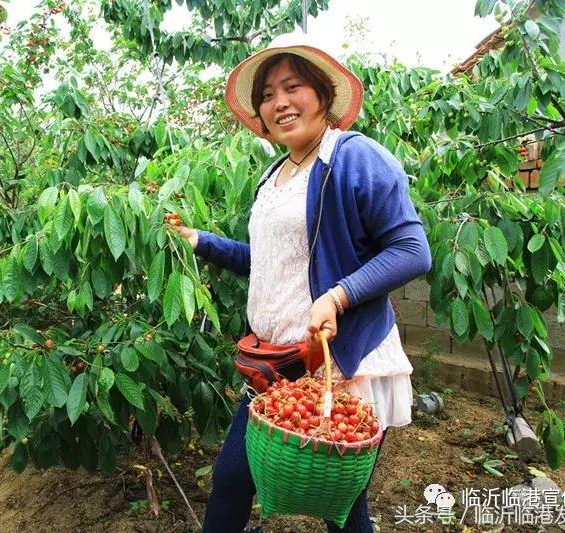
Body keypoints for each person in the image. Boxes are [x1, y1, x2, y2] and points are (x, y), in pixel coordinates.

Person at [165, 31, 432, 533]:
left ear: (323, 96)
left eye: (292, 87)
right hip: (277, 361)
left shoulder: (352, 157)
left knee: (339, 501)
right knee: (233, 479)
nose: (278, 102)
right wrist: (200, 241)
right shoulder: (275, 175)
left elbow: (412, 250)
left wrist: (338, 295)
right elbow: (270, 263)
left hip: (338, 359)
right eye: (266, 95)